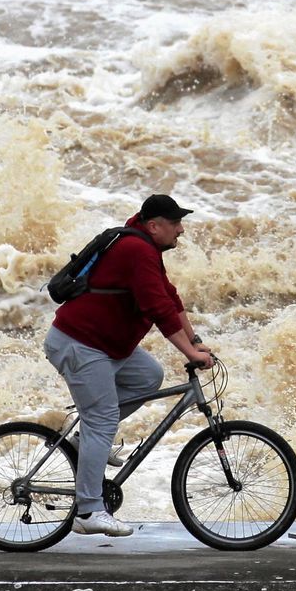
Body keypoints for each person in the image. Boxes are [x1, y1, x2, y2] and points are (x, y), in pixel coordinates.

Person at [42, 193, 215, 537]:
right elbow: (157, 309)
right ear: (154, 226)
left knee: (149, 376)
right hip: (81, 344)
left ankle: (82, 441)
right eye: (175, 223)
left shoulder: (144, 248)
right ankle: (89, 512)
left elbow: (170, 297)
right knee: (102, 419)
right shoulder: (137, 251)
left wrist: (194, 342)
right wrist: (189, 354)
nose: (181, 230)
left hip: (104, 345)